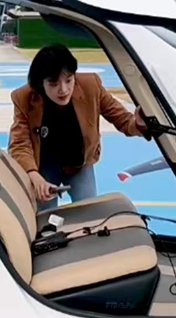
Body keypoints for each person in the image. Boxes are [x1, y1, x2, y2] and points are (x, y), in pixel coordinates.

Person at [9, 44, 150, 211]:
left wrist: (139, 124)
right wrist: (33, 175)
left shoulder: (91, 86)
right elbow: (19, 143)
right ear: (41, 84)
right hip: (44, 166)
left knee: (90, 213)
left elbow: (124, 121)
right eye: (53, 84)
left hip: (79, 163)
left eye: (69, 80)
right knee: (43, 218)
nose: (63, 89)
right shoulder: (23, 98)